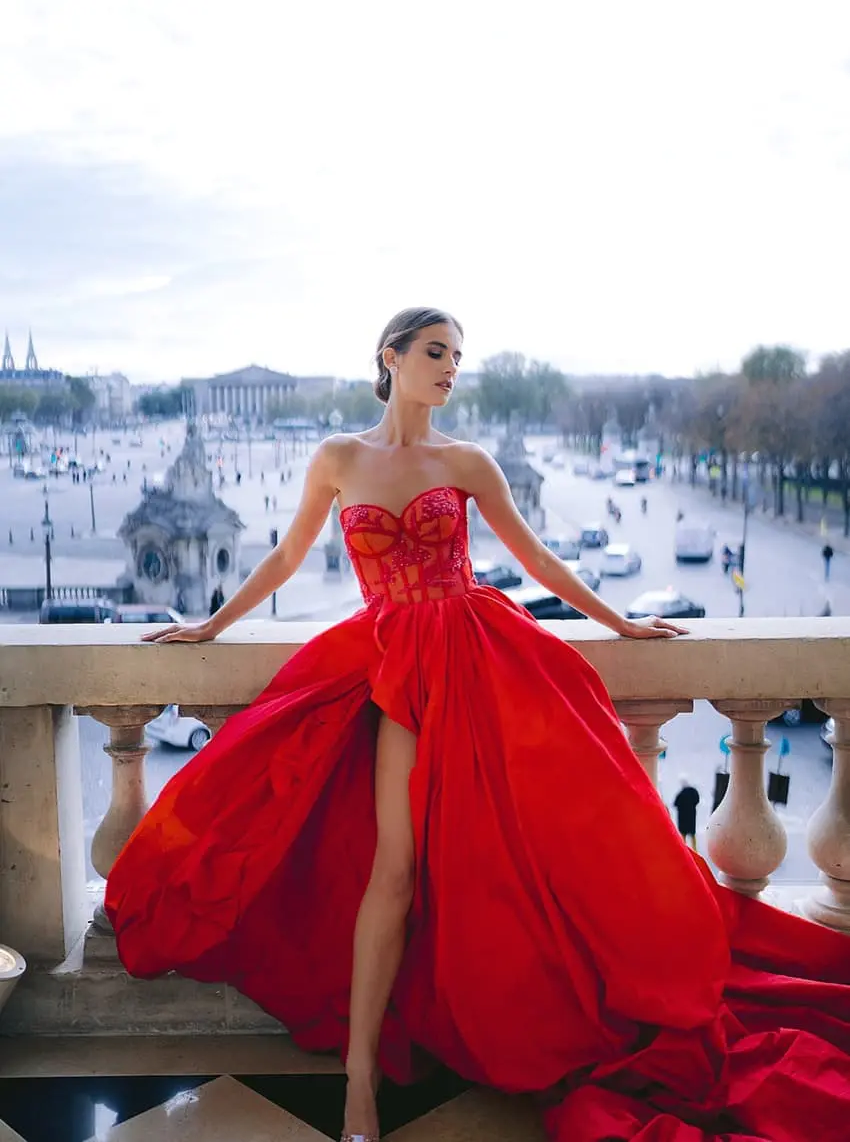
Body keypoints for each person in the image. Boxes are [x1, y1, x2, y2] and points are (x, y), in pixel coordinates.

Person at [105, 308, 850, 1142]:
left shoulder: (466, 461)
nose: (450, 367)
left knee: (505, 852)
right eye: (435, 351)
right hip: (390, 665)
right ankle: (360, 1083)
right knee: (393, 868)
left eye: (457, 355)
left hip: (471, 656)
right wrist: (210, 626)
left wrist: (621, 620)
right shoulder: (338, 457)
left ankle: (515, 1015)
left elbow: (535, 559)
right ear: (390, 357)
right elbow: (284, 558)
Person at [673, 775, 700, 851]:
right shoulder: (694, 792)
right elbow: (697, 800)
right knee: (692, 834)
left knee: (683, 835)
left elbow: (675, 803)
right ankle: (695, 850)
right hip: (692, 817)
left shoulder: (680, 794)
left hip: (682, 819)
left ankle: (684, 850)